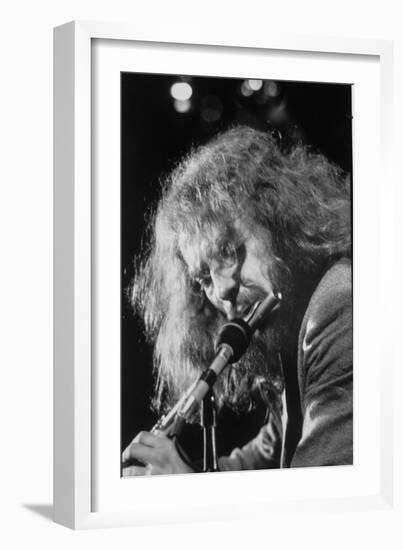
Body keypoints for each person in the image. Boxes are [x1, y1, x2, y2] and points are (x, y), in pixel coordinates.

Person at [122, 125, 352, 475]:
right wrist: (169, 480)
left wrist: (189, 496)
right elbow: (263, 457)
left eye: (229, 251)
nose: (222, 289)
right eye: (203, 277)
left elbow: (316, 514)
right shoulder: (289, 338)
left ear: (280, 224)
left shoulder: (337, 308)